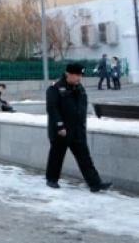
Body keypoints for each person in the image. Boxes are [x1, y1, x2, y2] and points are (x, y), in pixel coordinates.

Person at [45, 63, 112, 192]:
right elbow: (52, 109)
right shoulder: (55, 89)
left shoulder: (79, 88)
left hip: (77, 130)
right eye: (76, 75)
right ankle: (51, 180)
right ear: (68, 74)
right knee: (57, 156)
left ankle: (95, 184)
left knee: (85, 158)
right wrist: (60, 126)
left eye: (80, 75)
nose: (79, 78)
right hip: (62, 130)